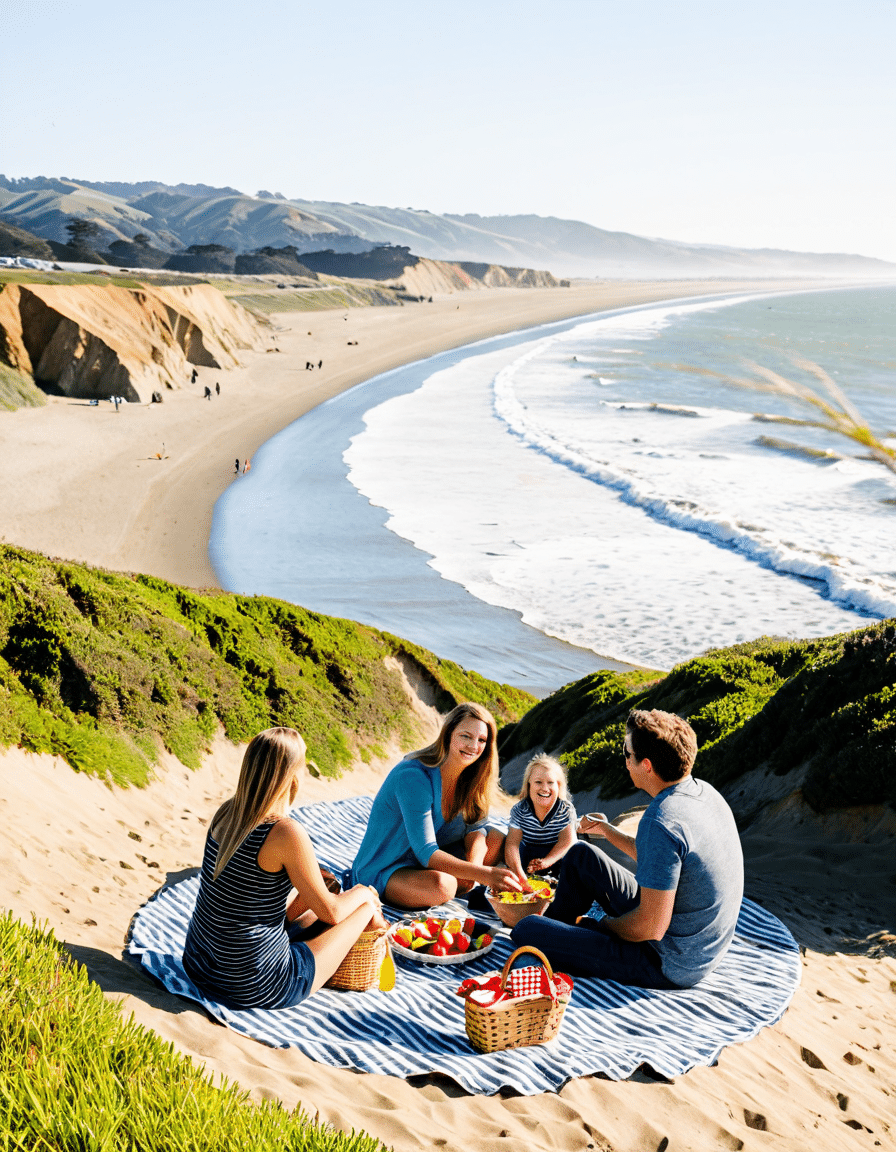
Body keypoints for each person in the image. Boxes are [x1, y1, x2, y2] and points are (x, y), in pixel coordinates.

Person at [511, 709, 744, 989]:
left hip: (667, 960)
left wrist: (602, 924)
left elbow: (650, 928)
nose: (625, 761)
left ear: (646, 765)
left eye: (627, 753)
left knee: (526, 929)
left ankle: (563, 937)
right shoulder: (702, 792)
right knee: (580, 855)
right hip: (690, 936)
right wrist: (607, 831)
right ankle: (562, 933)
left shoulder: (662, 819)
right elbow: (661, 860)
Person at [182, 727, 384, 1010]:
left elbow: (243, 894)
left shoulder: (227, 811)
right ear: (291, 776)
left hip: (199, 966)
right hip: (254, 984)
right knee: (364, 908)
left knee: (321, 894)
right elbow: (333, 912)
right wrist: (364, 892)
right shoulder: (285, 832)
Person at [350, 702, 527, 909]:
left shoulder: (473, 776)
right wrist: (483, 874)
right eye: (466, 736)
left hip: (423, 862)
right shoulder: (414, 776)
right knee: (443, 886)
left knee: (495, 839)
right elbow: (426, 851)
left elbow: (476, 828)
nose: (473, 746)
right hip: (387, 867)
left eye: (481, 740)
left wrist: (474, 867)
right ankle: (448, 888)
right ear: (448, 734)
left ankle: (460, 885)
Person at [504, 754, 577, 878]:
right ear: (529, 784)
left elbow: (567, 840)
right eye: (538, 782)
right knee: (513, 846)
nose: (544, 788)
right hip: (528, 855)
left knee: (576, 848)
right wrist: (518, 873)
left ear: (558, 786)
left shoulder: (565, 809)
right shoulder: (520, 809)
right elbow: (512, 844)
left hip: (556, 856)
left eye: (550, 783)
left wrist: (546, 862)